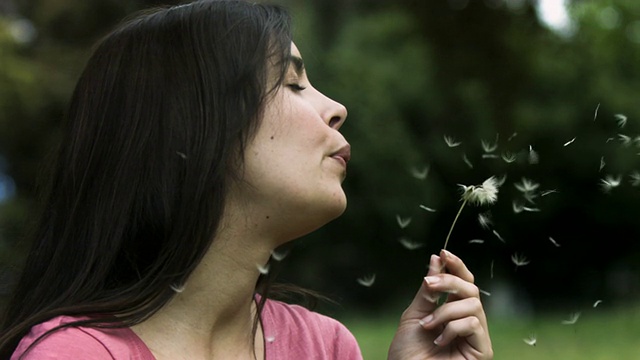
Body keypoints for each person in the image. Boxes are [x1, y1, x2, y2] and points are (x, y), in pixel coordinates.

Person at [0, 0, 493, 359]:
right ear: (195, 127)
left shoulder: (324, 347)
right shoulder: (74, 354)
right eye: (293, 84)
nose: (337, 109)